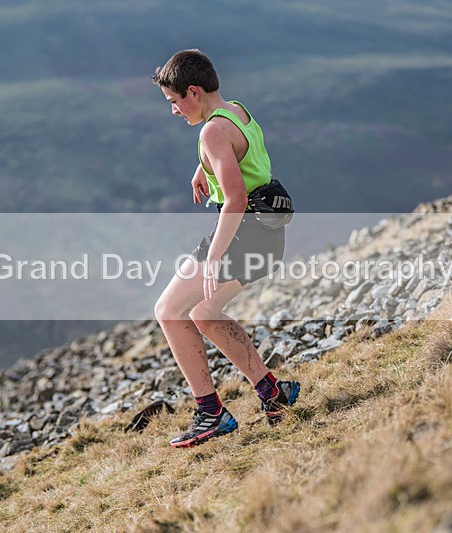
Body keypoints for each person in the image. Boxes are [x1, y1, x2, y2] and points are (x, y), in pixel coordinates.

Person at [151, 49, 300, 448]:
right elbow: (237, 152)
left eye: (174, 101)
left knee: (168, 311)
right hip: (268, 235)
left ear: (193, 92)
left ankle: (210, 413)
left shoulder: (211, 131)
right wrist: (204, 166)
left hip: (242, 232)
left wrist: (214, 257)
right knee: (204, 312)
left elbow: (234, 198)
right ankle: (273, 392)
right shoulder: (236, 111)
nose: (174, 111)